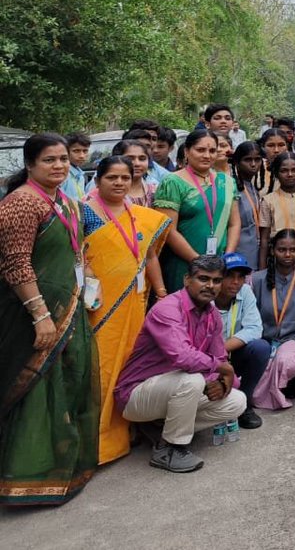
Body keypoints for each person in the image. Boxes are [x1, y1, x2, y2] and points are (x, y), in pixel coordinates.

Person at [0, 134, 99, 504]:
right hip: (28, 316)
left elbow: (79, 251)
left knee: (65, 387)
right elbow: (15, 264)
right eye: (49, 160)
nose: (59, 166)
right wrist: (41, 316)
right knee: (32, 391)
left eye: (62, 159)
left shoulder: (70, 203)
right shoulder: (21, 203)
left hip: (70, 308)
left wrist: (89, 285)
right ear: (30, 165)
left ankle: (62, 469)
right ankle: (24, 477)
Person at [115, 256, 246, 474]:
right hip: (136, 393)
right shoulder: (167, 309)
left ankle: (160, 430)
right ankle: (169, 449)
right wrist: (223, 370)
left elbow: (219, 359)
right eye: (203, 279)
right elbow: (183, 357)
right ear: (187, 280)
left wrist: (223, 384)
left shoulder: (212, 314)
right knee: (192, 380)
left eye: (216, 281)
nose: (210, 286)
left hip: (176, 387)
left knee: (236, 401)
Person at [81, 156, 170, 464]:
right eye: (111, 178)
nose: (119, 183)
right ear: (97, 180)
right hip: (100, 306)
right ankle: (99, 440)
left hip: (136, 303)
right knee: (102, 369)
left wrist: (160, 292)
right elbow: (78, 258)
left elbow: (149, 258)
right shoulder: (85, 213)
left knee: (131, 366)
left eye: (124, 177)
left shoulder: (140, 214)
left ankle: (131, 430)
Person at [153, 130, 241, 294]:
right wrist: (198, 261)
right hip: (182, 263)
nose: (207, 155)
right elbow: (168, 230)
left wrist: (226, 258)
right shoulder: (173, 182)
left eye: (212, 150)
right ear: (187, 151)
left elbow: (234, 223)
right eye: (200, 150)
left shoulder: (227, 182)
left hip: (218, 265)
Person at [251, 229, 295, 411]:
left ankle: (284, 384)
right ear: (273, 250)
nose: (288, 255)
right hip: (265, 340)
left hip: (294, 338)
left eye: (293, 250)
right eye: (282, 250)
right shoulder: (257, 279)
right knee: (261, 363)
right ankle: (276, 389)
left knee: (289, 361)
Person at [212, 252, 268, 431]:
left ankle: (245, 403)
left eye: (240, 277)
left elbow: (255, 328)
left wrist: (223, 348)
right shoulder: (206, 294)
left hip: (230, 353)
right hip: (205, 357)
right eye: (229, 276)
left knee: (260, 348)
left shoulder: (244, 291)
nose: (235, 282)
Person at [259, 151, 295, 252]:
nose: (290, 174)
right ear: (276, 173)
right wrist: (262, 267)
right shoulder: (268, 200)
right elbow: (264, 239)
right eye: (284, 171)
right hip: (279, 255)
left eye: (294, 170)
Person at [231, 142, 264, 267]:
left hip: (255, 252)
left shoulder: (253, 187)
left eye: (257, 159)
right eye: (247, 160)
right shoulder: (232, 187)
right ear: (237, 163)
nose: (253, 164)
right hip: (238, 254)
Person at [110, 139, 157, 206]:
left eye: (142, 159)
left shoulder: (155, 192)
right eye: (130, 159)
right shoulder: (106, 193)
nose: (137, 163)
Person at [62, 132, 92, 201]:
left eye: (85, 151)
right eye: (76, 151)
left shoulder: (80, 175)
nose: (82, 156)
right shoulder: (63, 174)